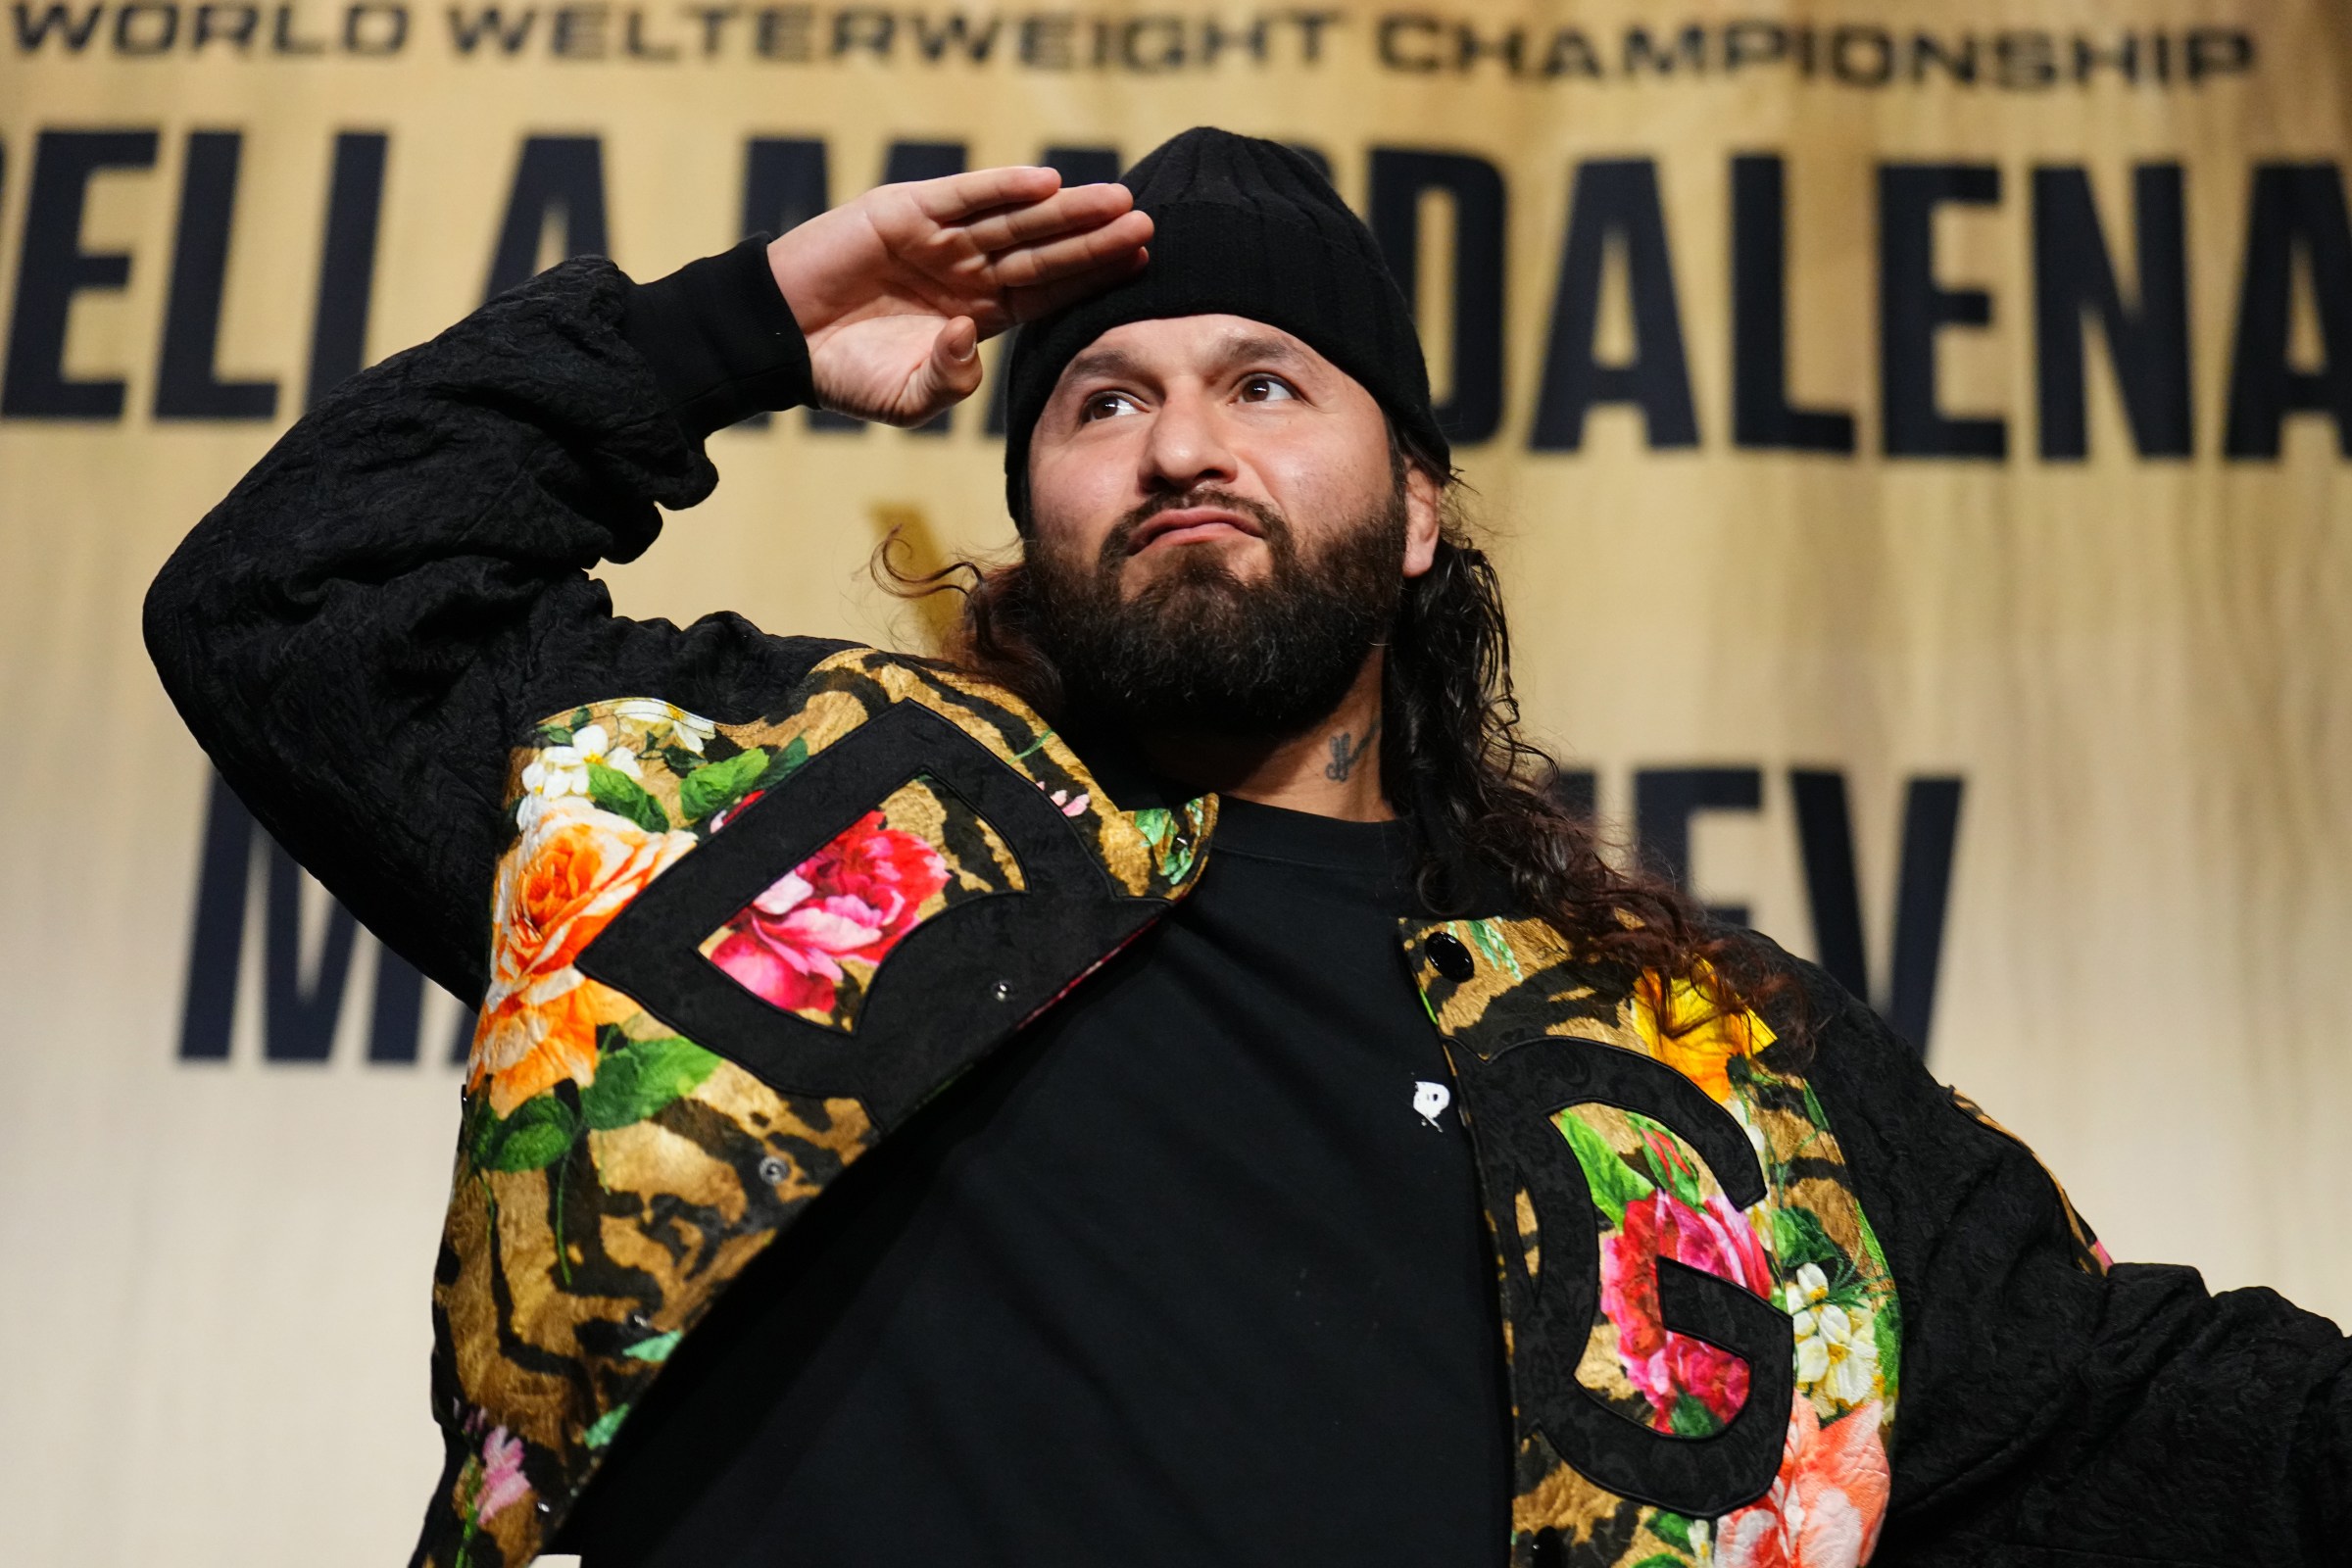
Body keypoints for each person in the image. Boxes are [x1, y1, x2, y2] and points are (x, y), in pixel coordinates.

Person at [145, 127, 2346, 1568]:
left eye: (1270, 381)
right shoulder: (749, 808)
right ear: (1033, 508)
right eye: (1103, 398)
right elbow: (297, 607)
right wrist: (731, 330)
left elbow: (2155, 1420)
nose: (1182, 435)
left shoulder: (1704, 1076)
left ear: (1418, 514)